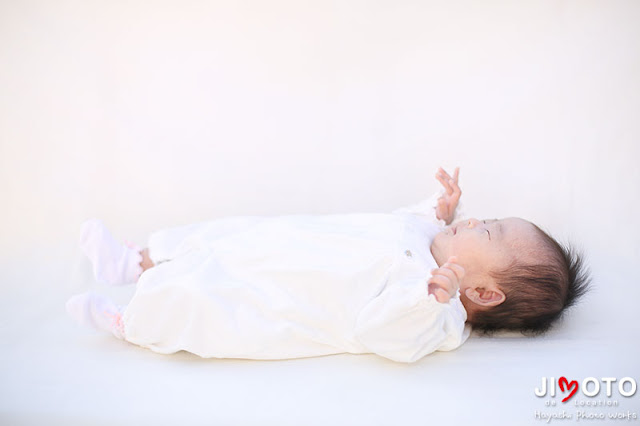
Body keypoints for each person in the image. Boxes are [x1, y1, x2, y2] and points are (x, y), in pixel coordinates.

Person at [66, 167, 590, 363]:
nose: (477, 224)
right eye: (487, 219)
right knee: (227, 235)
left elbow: (385, 334)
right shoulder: (432, 237)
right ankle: (136, 261)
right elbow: (401, 222)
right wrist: (439, 210)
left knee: (212, 296)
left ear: (484, 294)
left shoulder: (440, 318)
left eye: (489, 232)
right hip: (293, 242)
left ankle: (130, 321)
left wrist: (430, 296)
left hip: (289, 295)